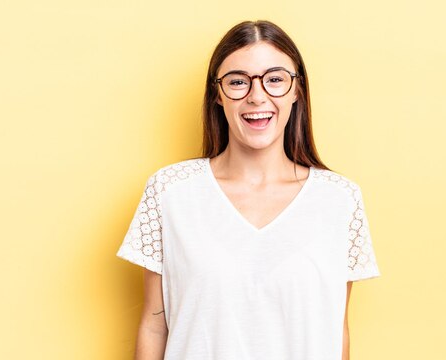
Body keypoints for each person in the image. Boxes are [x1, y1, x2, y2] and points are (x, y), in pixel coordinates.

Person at [116, 20, 380, 360]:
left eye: (275, 80)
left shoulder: (340, 199)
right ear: (217, 94)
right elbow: (154, 325)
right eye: (238, 81)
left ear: (297, 90)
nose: (257, 96)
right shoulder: (170, 192)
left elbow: (335, 330)